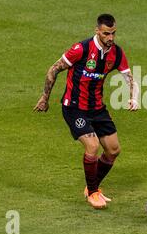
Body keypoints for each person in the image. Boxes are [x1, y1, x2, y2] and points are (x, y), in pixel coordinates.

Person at [34, 14, 139, 209]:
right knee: (92, 146)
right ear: (97, 31)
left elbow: (129, 77)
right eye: (106, 33)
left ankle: (92, 187)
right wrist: (44, 98)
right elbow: (54, 69)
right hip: (74, 107)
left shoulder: (116, 53)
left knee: (114, 150)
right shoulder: (81, 49)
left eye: (113, 33)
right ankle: (92, 193)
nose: (111, 38)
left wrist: (134, 98)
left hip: (97, 108)